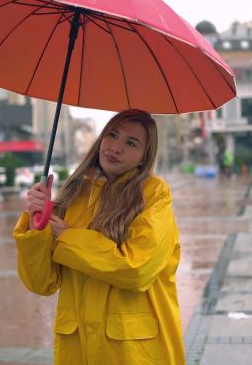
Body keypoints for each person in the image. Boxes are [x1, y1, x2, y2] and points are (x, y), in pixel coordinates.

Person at [13, 109, 184, 365]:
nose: (115, 147)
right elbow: (41, 283)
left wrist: (68, 238)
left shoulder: (154, 194)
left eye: (131, 143)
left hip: (133, 353)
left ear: (143, 157)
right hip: (77, 352)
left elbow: (137, 269)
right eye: (112, 135)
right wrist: (36, 223)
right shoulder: (75, 194)